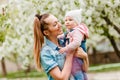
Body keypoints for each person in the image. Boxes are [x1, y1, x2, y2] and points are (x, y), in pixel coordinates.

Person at [33, 13, 89, 80]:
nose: (60, 25)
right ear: (46, 32)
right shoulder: (46, 53)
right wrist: (70, 54)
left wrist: (85, 57)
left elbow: (84, 69)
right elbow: (62, 78)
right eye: (55, 24)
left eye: (58, 21)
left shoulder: (67, 41)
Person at [58, 9, 89, 80]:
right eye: (65, 20)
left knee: (76, 71)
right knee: (78, 72)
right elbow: (64, 35)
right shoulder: (71, 31)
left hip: (77, 57)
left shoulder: (78, 31)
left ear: (77, 22)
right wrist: (58, 37)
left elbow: (77, 43)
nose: (67, 22)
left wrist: (66, 48)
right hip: (75, 56)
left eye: (70, 20)